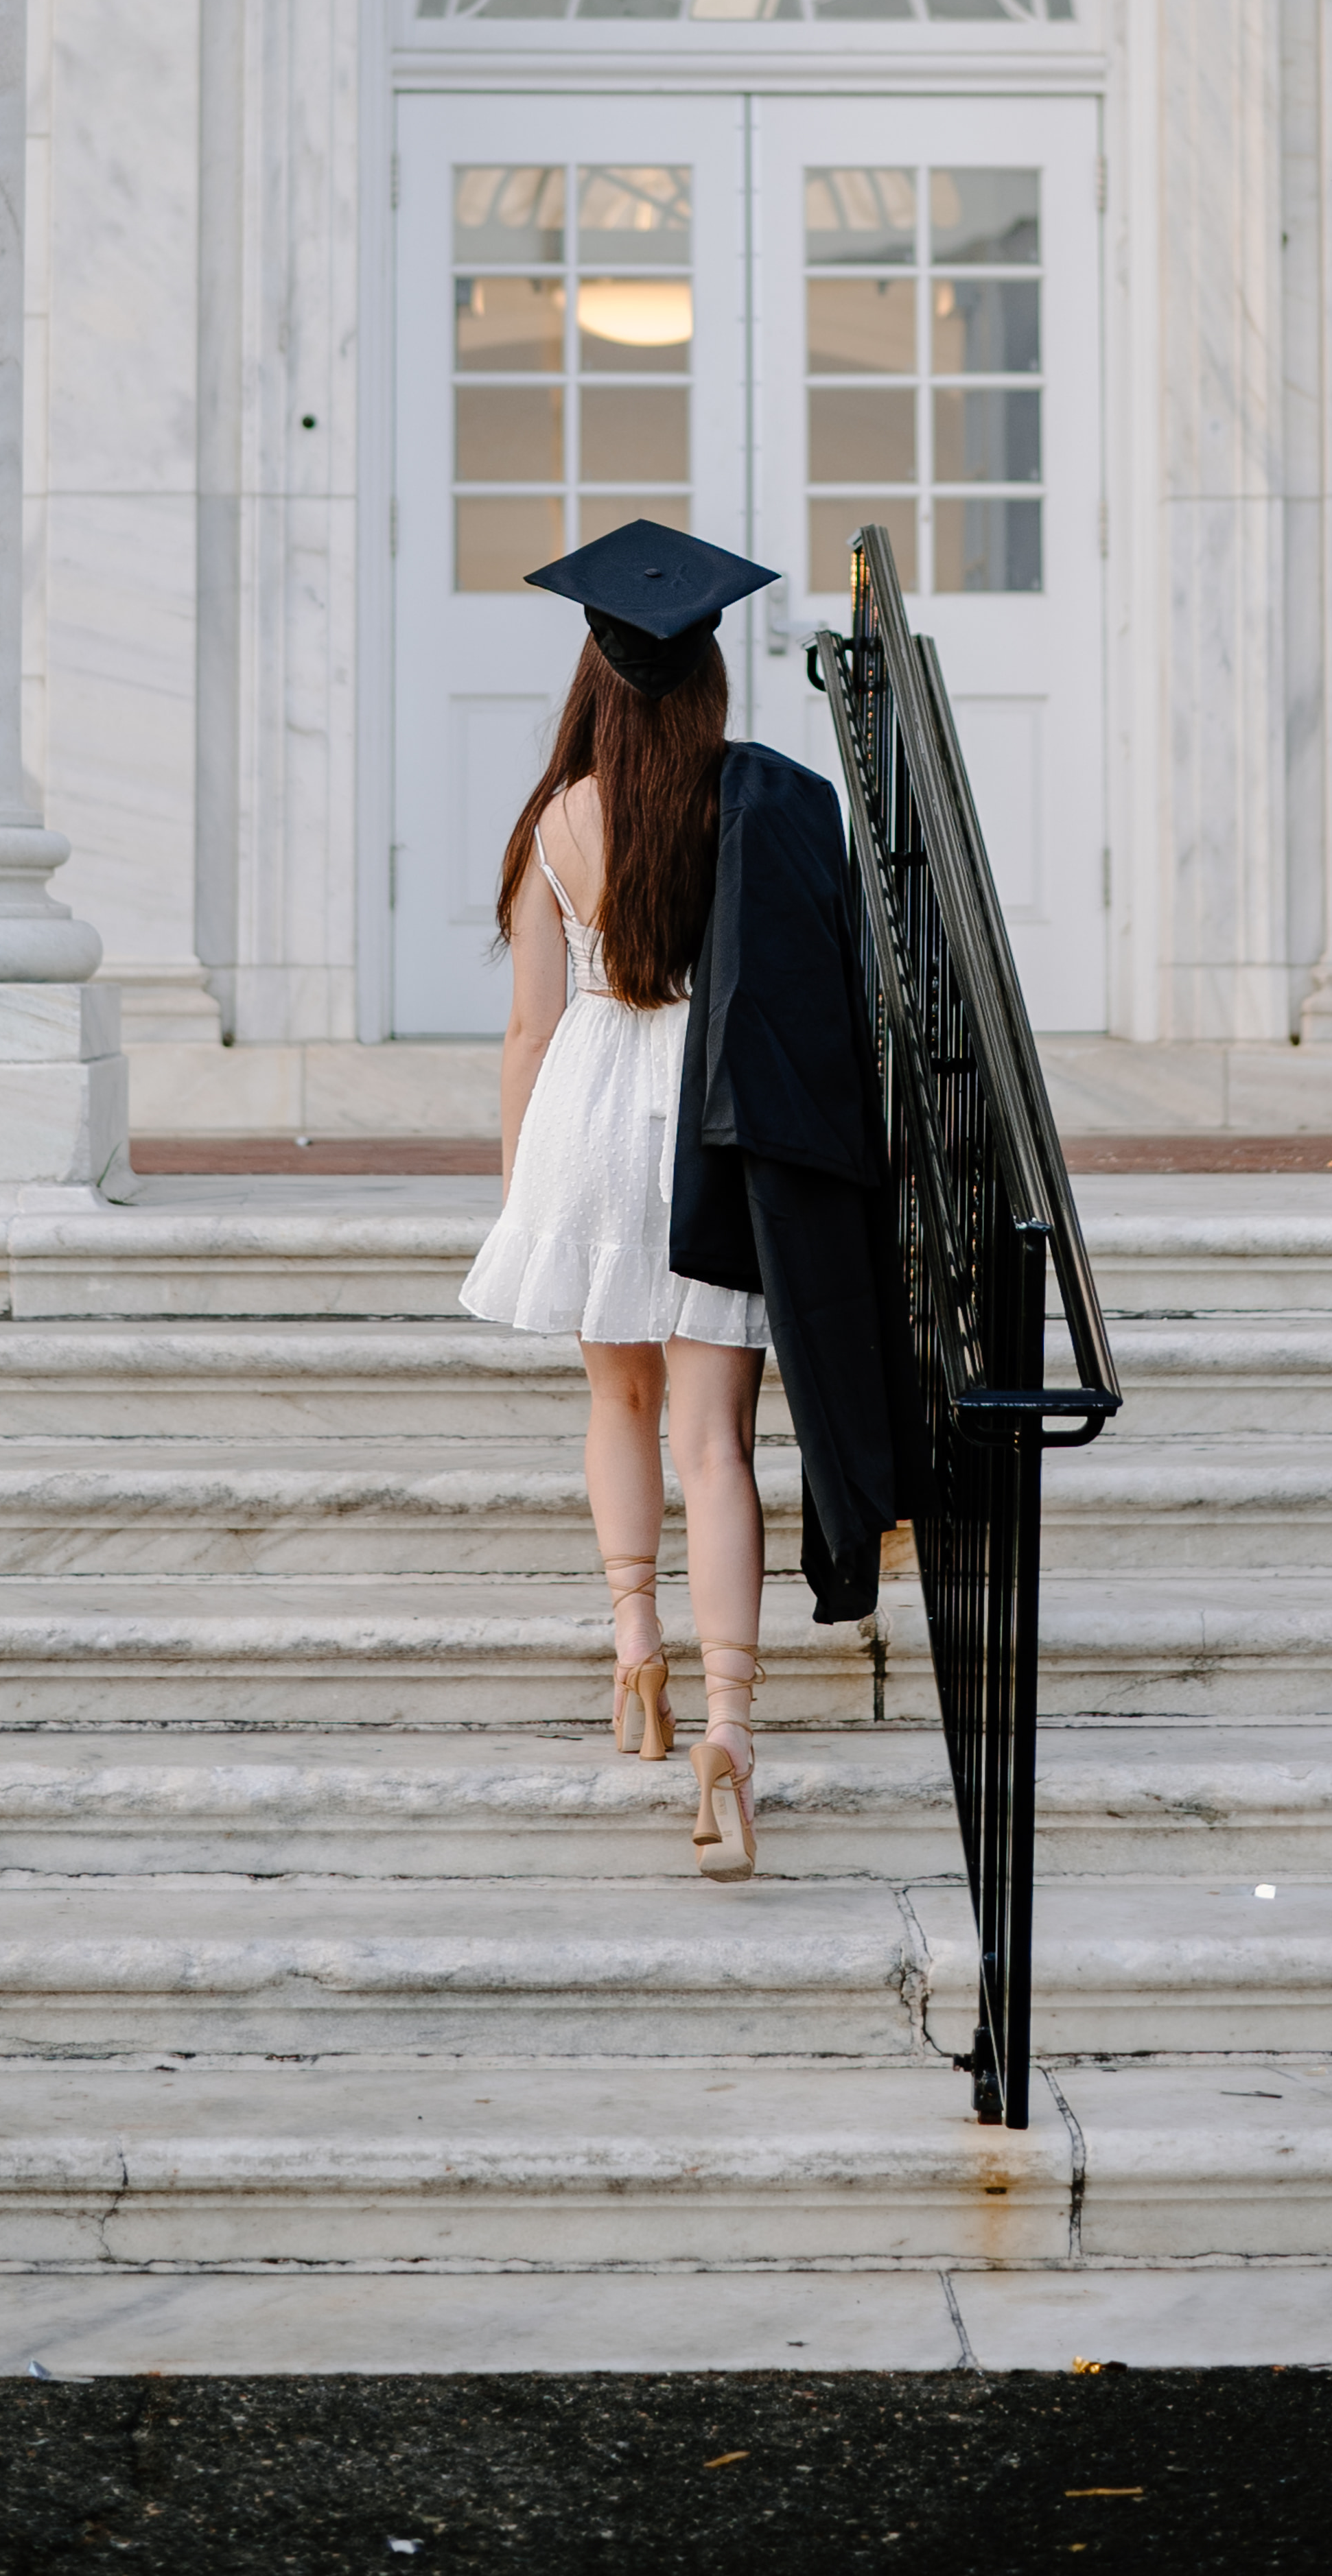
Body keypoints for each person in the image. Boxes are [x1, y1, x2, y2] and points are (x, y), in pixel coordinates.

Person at [460, 524, 781, 1883]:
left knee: (617, 1405)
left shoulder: (556, 821)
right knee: (714, 1441)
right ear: (706, 673)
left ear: (592, 674)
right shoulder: (746, 805)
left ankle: (634, 1660)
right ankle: (725, 1727)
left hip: (588, 1110)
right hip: (707, 1119)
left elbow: (530, 1027)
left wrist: (516, 1175)